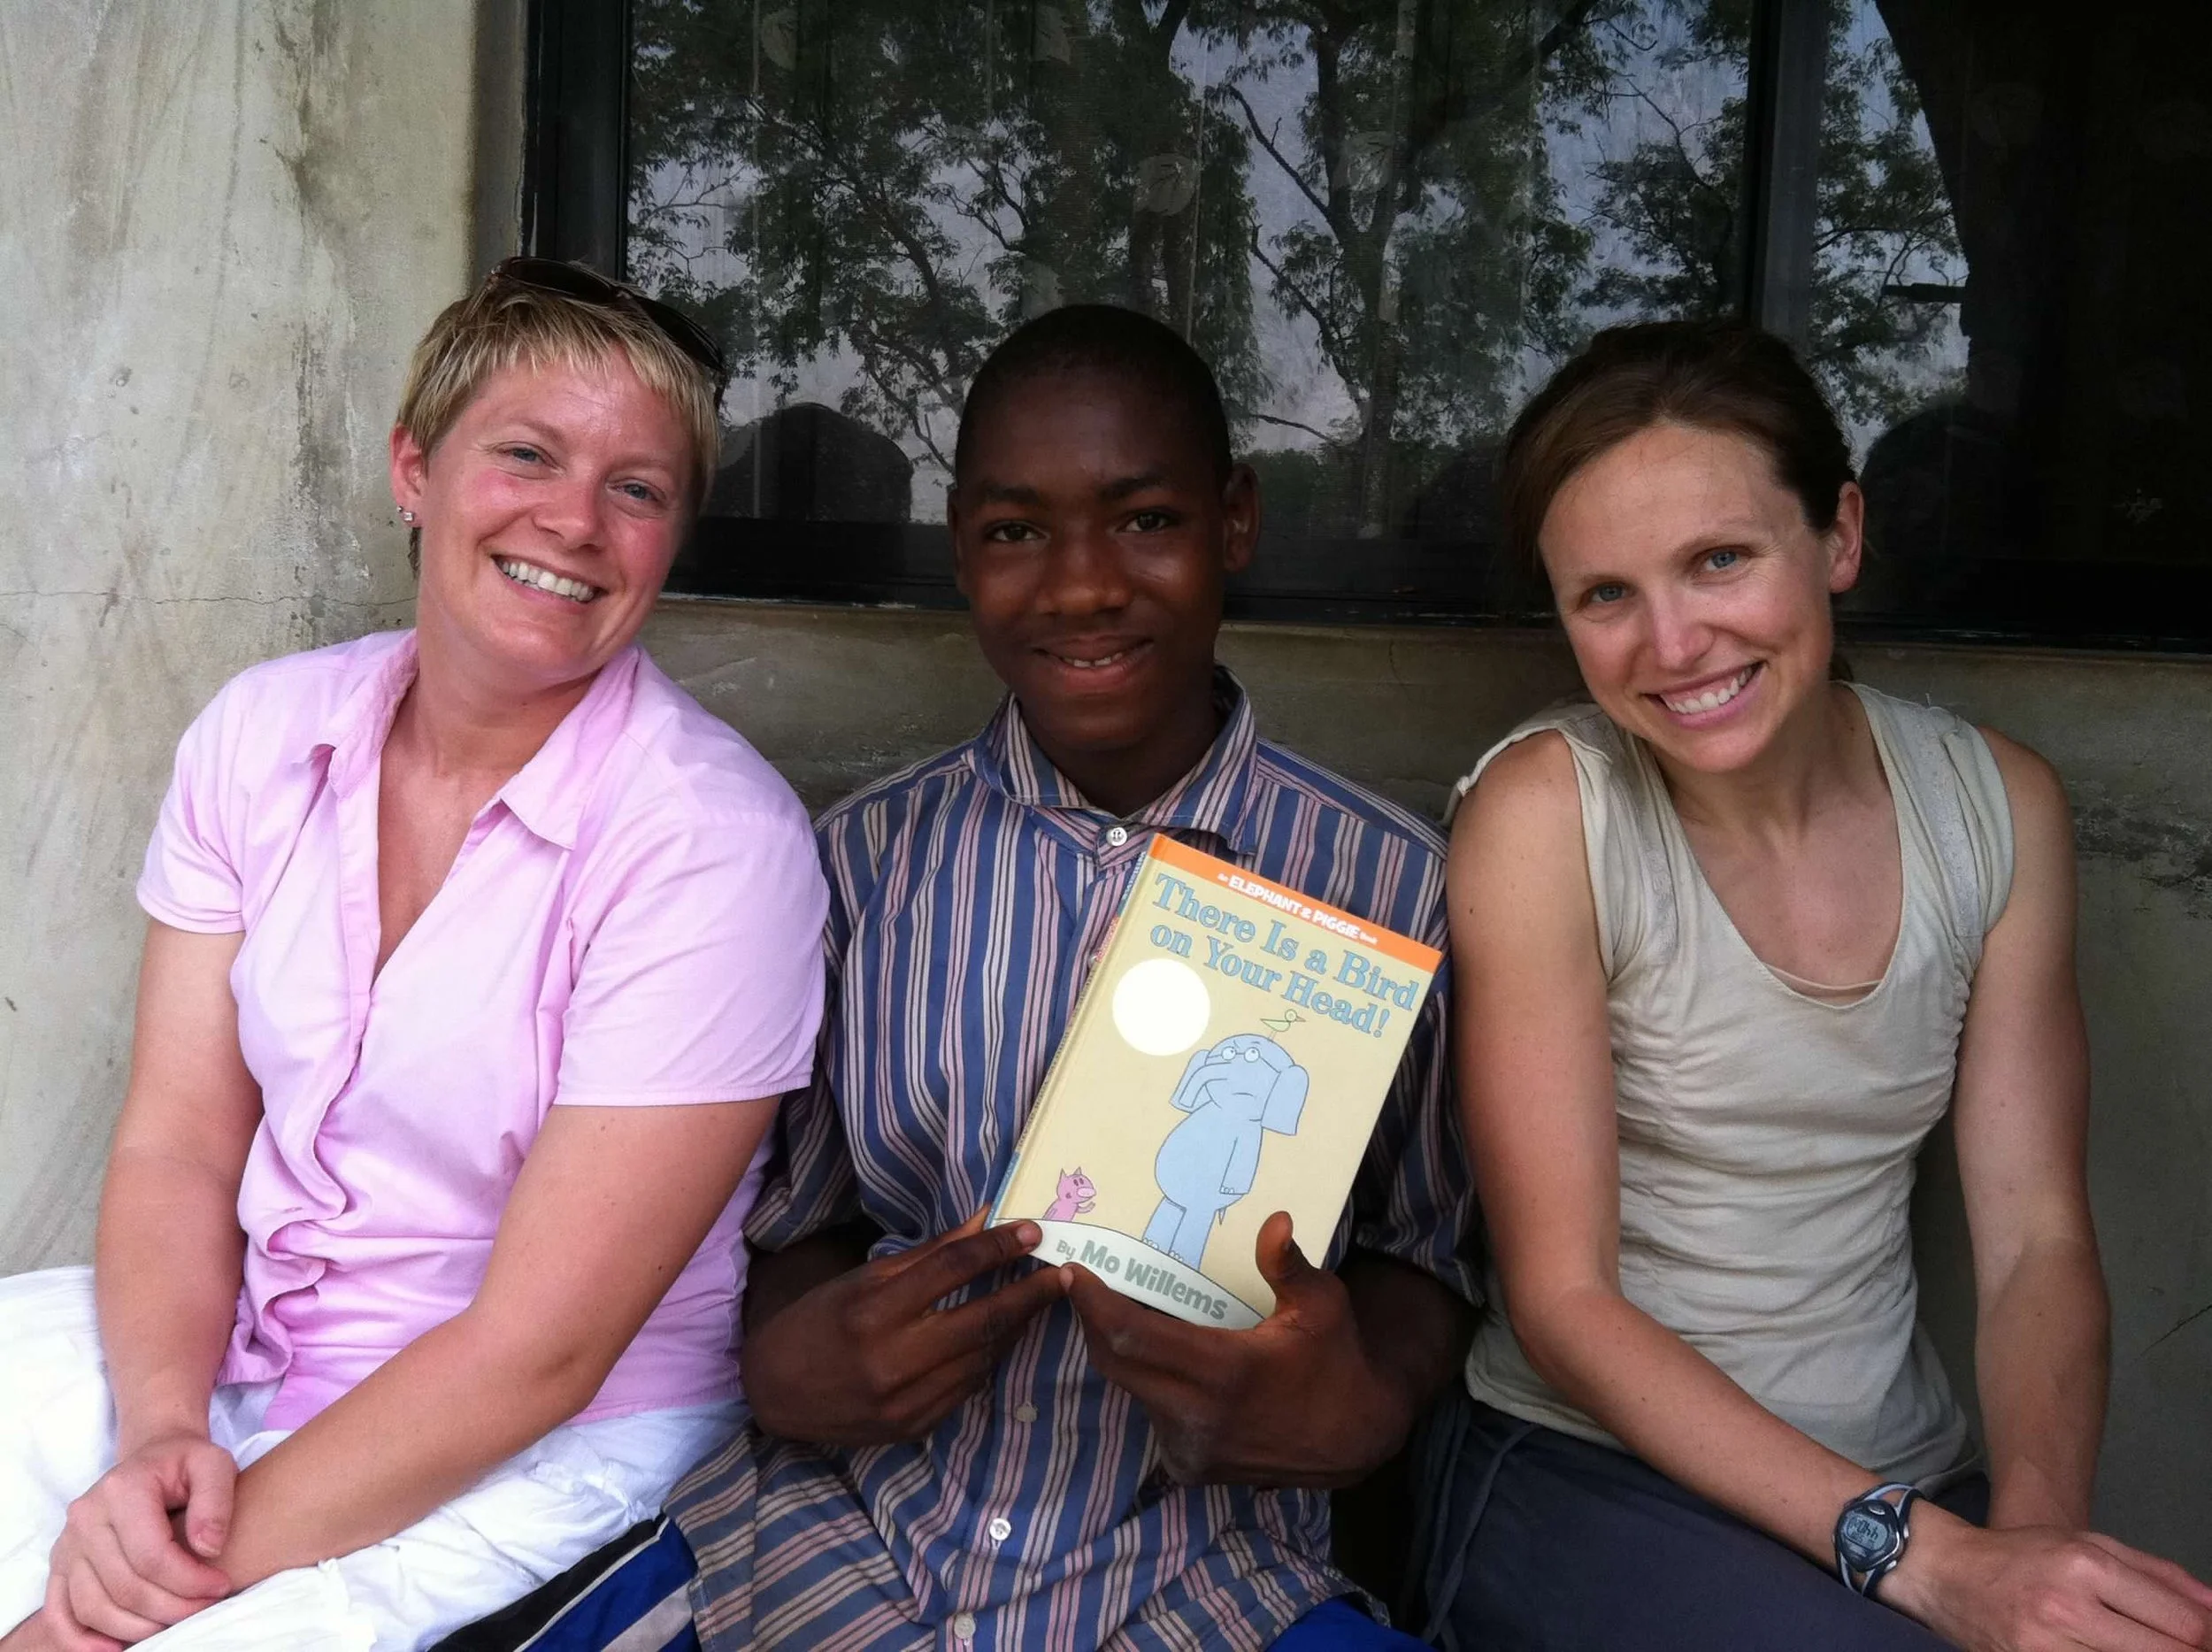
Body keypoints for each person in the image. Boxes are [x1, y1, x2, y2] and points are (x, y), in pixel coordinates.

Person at [440, 304, 1478, 1652]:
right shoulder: (858, 868)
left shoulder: (1393, 885)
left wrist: (1365, 1403)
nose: (1083, 584)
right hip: (835, 1548)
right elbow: (791, 1215)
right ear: (961, 554)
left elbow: (1433, 1247)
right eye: (1014, 532)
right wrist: (794, 1352)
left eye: (1147, 519)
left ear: (1235, 522)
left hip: (1205, 1583)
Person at [0, 260, 828, 1652]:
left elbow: (539, 1353)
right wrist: (157, 1435)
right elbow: (180, 1145)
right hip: (244, 1352)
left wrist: (146, 1587)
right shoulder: (261, 736)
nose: (573, 520)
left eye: (638, 488)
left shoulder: (711, 843)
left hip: (545, 1442)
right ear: (413, 467)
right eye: (526, 452)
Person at [1423, 319, 2212, 1650]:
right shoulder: (1548, 814)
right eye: (1604, 594)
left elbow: (2035, 1244)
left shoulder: (1994, 807)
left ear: (1839, 537)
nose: (1673, 641)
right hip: (1585, 1468)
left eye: (1719, 559)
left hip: (1912, 1478)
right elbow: (1565, 1299)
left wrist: (2029, 1546)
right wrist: (1932, 1567)